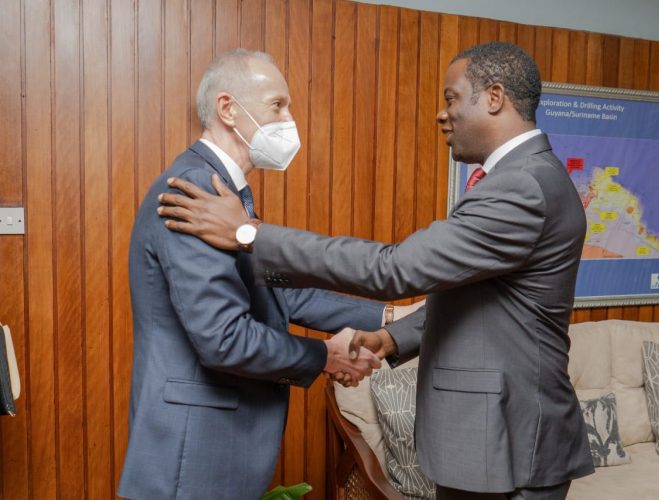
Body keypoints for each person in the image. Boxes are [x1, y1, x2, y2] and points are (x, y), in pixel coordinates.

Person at [158, 42, 595, 498]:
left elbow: (395, 269)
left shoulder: (522, 185)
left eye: (450, 98)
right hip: (493, 441)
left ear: (494, 98)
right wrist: (390, 338)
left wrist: (251, 235)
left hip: (511, 441)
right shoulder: (519, 179)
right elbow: (480, 296)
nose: (441, 115)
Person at [117, 48, 422, 500]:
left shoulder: (225, 191)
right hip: (194, 446)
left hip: (216, 440)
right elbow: (223, 338)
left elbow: (282, 296)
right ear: (228, 109)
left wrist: (390, 318)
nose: (289, 119)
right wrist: (327, 357)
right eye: (278, 106)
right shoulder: (195, 190)